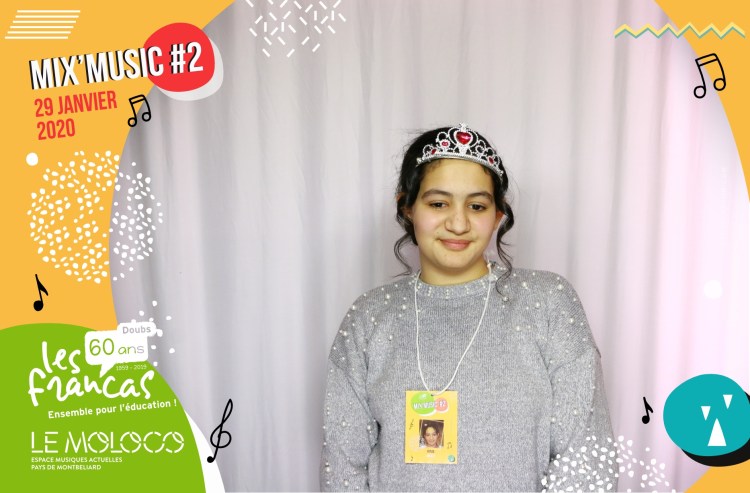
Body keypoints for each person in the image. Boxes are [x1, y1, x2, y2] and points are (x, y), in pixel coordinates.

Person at [320, 124, 616, 491]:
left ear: (498, 215)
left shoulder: (547, 303)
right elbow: (343, 469)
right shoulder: (370, 317)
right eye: (438, 203)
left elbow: (586, 462)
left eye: (476, 206)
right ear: (408, 207)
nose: (458, 223)